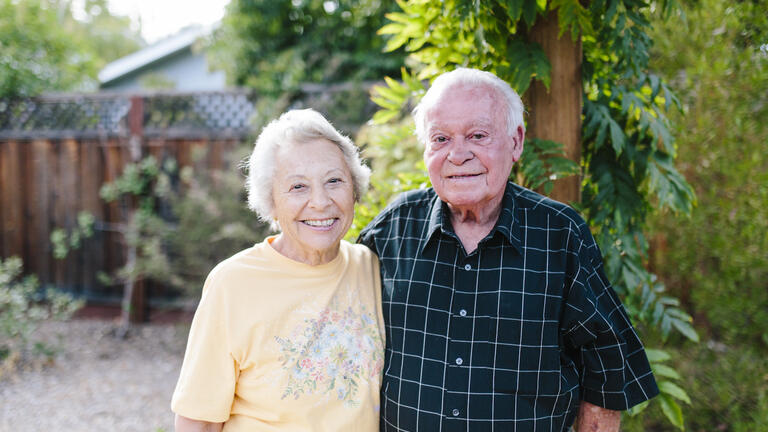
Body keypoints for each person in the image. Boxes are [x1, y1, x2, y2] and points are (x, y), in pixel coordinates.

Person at [358, 68, 658, 431]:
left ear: (516, 142)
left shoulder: (561, 234)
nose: (457, 154)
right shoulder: (392, 229)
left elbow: (606, 360)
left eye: (477, 135)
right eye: (440, 139)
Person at [172, 109, 385, 431]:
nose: (320, 202)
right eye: (298, 187)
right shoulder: (233, 283)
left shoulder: (370, 266)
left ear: (354, 188)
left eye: (334, 181)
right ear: (270, 200)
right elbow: (197, 421)